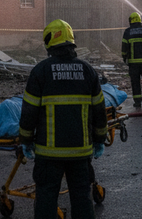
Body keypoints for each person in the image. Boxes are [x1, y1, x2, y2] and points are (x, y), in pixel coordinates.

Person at [19, 19, 108, 219]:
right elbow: (99, 110)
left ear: (49, 42)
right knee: (82, 199)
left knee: (46, 199)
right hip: (81, 151)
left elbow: (29, 112)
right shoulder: (87, 71)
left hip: (48, 153)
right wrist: (100, 139)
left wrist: (25, 140)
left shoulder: (40, 71)